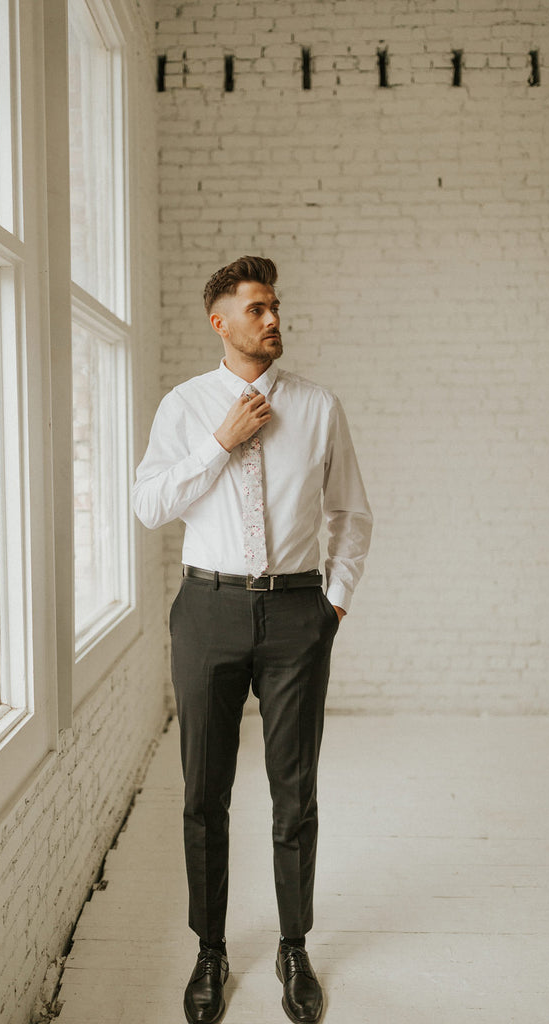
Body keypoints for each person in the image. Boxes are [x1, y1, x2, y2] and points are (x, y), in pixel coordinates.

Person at [133, 256, 372, 1024]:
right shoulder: (185, 405)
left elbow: (351, 514)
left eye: (275, 306)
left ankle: (293, 947)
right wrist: (218, 441)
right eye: (257, 309)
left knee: (292, 794)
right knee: (204, 794)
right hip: (205, 612)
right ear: (221, 323)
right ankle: (210, 950)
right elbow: (147, 506)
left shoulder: (317, 406)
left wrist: (329, 606)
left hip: (297, 615)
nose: (273, 320)